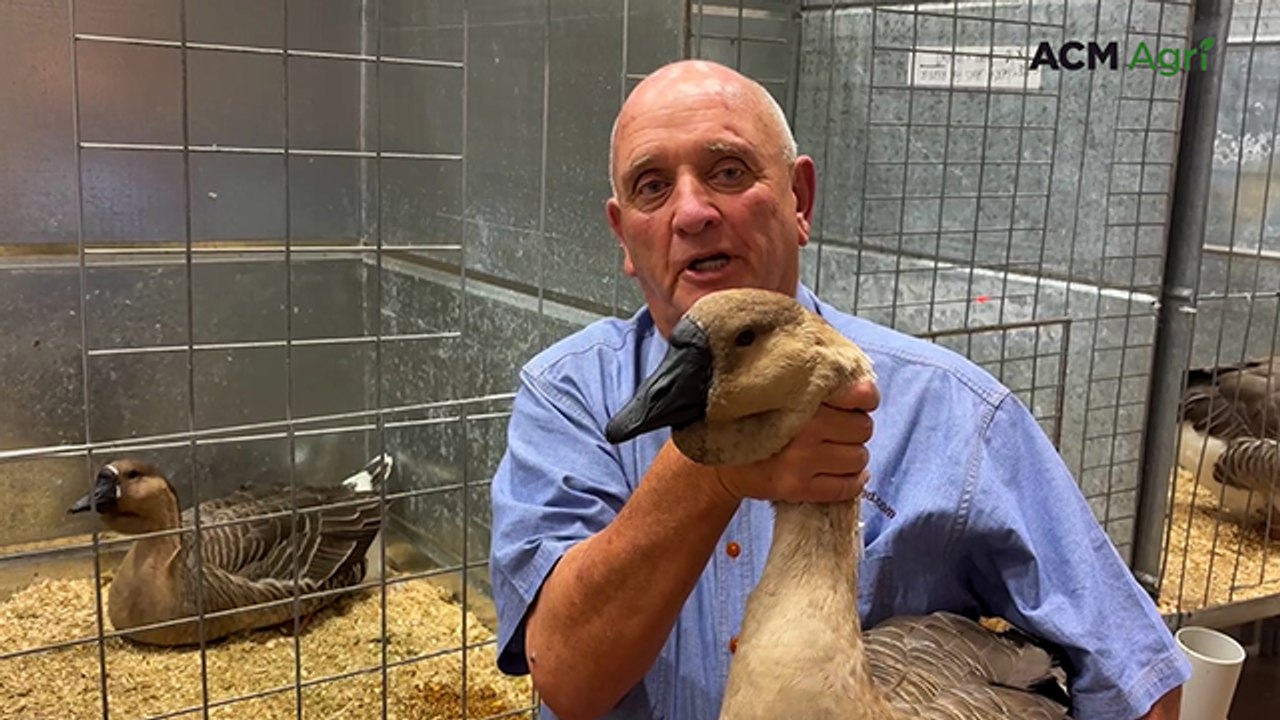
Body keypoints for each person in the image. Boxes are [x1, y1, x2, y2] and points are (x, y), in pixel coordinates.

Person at [487, 59, 1190, 720]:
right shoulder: (569, 396)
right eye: (652, 186)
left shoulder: (956, 412)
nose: (692, 211)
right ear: (623, 234)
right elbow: (568, 678)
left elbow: (1138, 678)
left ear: (800, 199)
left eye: (729, 172)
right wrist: (716, 471)